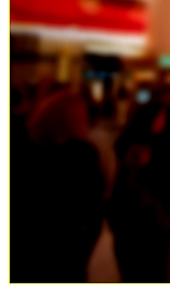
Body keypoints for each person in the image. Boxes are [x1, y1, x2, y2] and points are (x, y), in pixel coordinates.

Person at [13, 91, 106, 282]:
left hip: (29, 252)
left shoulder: (29, 151)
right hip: (64, 252)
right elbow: (89, 208)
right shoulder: (80, 155)